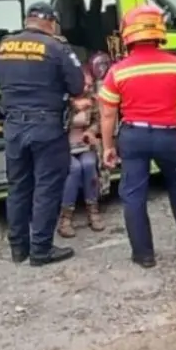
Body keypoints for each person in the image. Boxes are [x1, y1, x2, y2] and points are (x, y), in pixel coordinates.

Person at [98, 5, 176, 268]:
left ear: (128, 34)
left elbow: (107, 114)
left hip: (133, 136)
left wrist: (108, 147)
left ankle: (143, 255)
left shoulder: (118, 71)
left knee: (134, 195)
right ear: (158, 31)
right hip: (167, 136)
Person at [0, 2, 85, 266]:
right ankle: (41, 249)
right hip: (46, 127)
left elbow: (0, 82)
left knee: (18, 188)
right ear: (51, 22)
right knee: (46, 188)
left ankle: (18, 248)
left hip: (13, 126)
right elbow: (77, 85)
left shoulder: (4, 45)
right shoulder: (56, 47)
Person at [58, 70, 105, 239]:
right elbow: (57, 126)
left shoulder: (93, 101)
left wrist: (91, 132)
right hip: (63, 146)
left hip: (84, 145)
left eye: (90, 85)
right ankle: (66, 217)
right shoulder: (61, 101)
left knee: (88, 164)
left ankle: (93, 210)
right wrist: (74, 110)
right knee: (74, 169)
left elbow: (98, 122)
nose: (87, 87)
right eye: (84, 84)